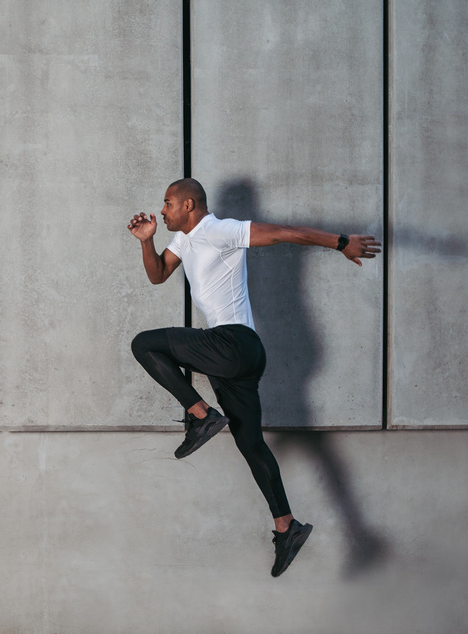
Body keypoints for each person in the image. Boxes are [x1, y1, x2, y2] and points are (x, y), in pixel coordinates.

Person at [128, 177, 380, 577]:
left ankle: (199, 415)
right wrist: (146, 240)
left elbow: (283, 233)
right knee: (252, 446)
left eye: (168, 203)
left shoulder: (219, 229)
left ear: (190, 205)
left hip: (233, 343)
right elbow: (158, 275)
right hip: (238, 359)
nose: (162, 210)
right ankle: (287, 527)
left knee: (144, 344)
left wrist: (341, 241)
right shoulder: (184, 241)